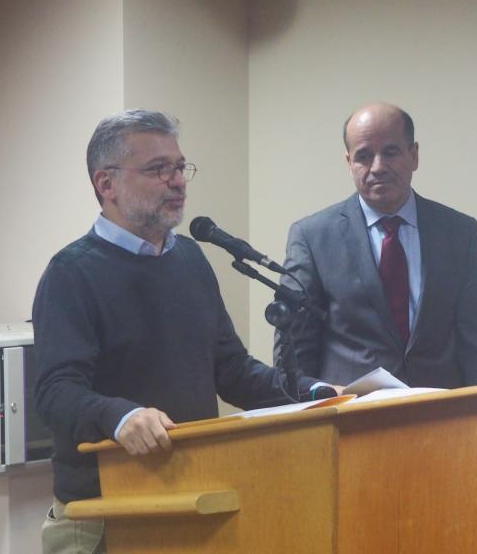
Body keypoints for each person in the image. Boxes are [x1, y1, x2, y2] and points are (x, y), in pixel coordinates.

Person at [33, 109, 316, 554]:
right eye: (158, 169)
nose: (178, 181)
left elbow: (232, 370)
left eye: (180, 167)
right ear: (106, 184)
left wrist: (314, 392)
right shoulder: (71, 273)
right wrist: (121, 417)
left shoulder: (190, 259)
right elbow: (55, 392)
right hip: (104, 513)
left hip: (193, 498)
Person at [275, 102, 477, 390]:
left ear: (414, 155)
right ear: (349, 162)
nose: (378, 167)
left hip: (441, 410)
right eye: (364, 156)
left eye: (390, 152)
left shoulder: (458, 232)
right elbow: (294, 357)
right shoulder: (312, 238)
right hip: (352, 412)